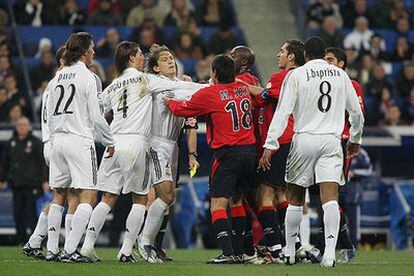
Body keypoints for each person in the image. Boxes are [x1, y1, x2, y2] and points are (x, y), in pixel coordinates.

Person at [80, 42, 203, 263]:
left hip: (114, 143)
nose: (142, 58)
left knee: (107, 198)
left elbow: (96, 109)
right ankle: (127, 250)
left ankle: (87, 246)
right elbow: (184, 89)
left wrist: (105, 138)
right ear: (131, 58)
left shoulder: (115, 83)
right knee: (140, 199)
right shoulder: (146, 79)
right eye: (139, 55)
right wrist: (213, 86)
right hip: (137, 142)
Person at [259, 36, 364, 267]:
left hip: (304, 139)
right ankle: (329, 254)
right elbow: (356, 113)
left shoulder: (296, 75)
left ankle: (288, 252)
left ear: (305, 55)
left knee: (295, 198)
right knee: (330, 199)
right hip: (331, 141)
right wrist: (355, 139)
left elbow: (282, 112)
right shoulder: (341, 75)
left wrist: (270, 144)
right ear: (322, 53)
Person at [165, 55, 257, 264]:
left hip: (229, 154)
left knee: (217, 204)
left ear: (214, 74)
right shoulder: (243, 89)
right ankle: (241, 251)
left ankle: (227, 253)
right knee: (237, 200)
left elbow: (181, 109)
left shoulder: (211, 93)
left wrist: (168, 101)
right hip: (250, 152)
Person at [46, 32, 115, 263]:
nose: (94, 52)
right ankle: (71, 251)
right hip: (78, 140)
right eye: (92, 48)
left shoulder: (56, 78)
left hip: (58, 141)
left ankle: (52, 250)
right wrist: (109, 140)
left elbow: (50, 116)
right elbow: (96, 116)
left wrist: (55, 139)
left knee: (59, 195)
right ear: (85, 52)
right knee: (88, 194)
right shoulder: (87, 76)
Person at [137, 44, 203, 263]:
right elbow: (192, 91)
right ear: (155, 68)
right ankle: (144, 241)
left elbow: (194, 97)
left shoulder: (179, 84)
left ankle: (151, 244)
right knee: (161, 196)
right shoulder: (157, 84)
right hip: (156, 144)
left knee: (168, 199)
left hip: (173, 146)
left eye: (171, 58)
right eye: (164, 59)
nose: (170, 61)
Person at [22, 46, 66, 260]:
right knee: (65, 196)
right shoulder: (63, 82)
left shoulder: (51, 84)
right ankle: (54, 247)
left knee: (61, 195)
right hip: (59, 141)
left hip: (50, 142)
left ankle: (35, 240)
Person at [323, 47, 365, 264]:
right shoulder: (318, 80)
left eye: (330, 59)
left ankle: (344, 245)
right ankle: (332, 244)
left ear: (341, 64)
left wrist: (353, 139)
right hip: (318, 140)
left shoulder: (351, 84)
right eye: (324, 59)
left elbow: (357, 114)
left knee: (332, 195)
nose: (326, 63)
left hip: (339, 142)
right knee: (316, 196)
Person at [230, 45, 261, 264]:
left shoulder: (246, 81)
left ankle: (249, 248)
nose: (229, 58)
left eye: (234, 56)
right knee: (246, 201)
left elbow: (254, 103)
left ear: (243, 63)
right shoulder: (249, 80)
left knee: (240, 199)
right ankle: (250, 248)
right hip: (252, 147)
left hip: (247, 147)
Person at [0, 116, 47, 245]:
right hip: (16, 183)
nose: (21, 127)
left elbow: (42, 163)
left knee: (31, 213)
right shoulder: (12, 142)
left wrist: (44, 181)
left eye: (24, 125)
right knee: (18, 213)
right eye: (19, 124)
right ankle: (21, 240)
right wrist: (2, 179)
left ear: (29, 127)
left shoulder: (36, 142)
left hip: (32, 184)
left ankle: (35, 240)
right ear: (16, 127)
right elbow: (5, 162)